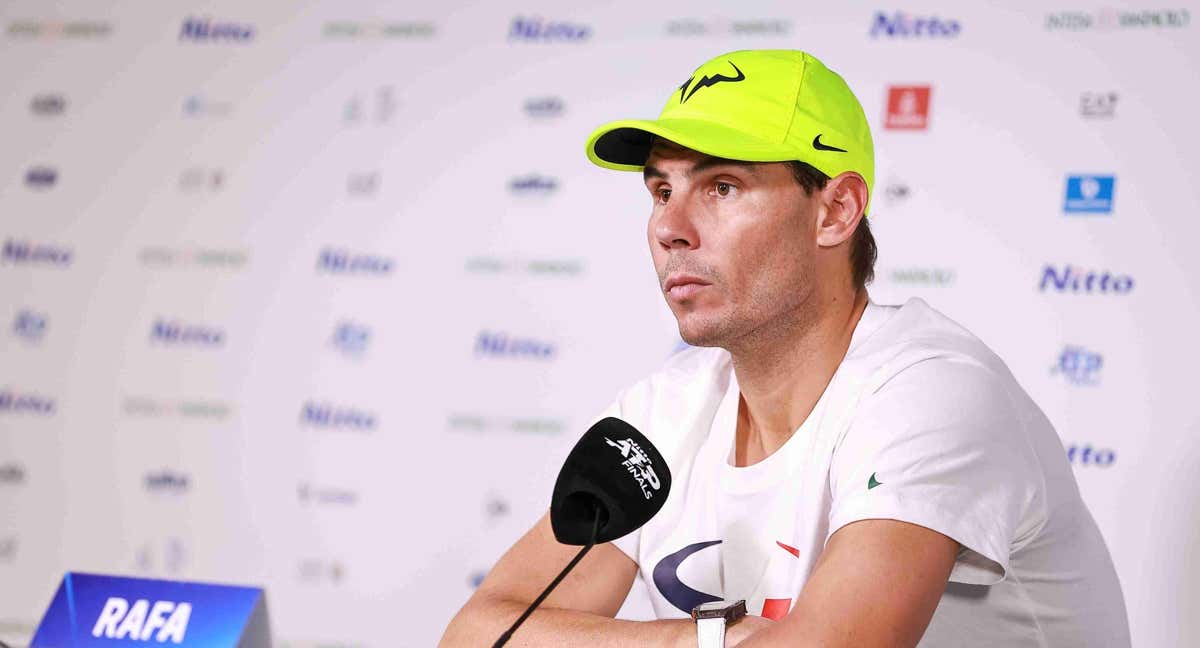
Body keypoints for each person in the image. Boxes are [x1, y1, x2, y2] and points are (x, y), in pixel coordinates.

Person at [440, 49, 1130, 647]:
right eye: (660, 189)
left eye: (721, 186)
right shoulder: (663, 413)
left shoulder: (931, 390)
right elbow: (478, 634)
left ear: (835, 210)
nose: (669, 227)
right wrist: (711, 639)